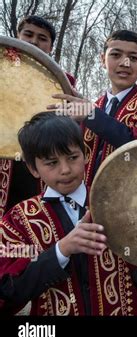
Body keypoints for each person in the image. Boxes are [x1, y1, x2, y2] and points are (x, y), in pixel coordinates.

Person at [0, 113, 137, 315]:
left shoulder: (119, 203)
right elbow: (12, 289)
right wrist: (61, 250)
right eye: (51, 163)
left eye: (73, 157)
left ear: (85, 154)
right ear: (33, 168)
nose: (66, 170)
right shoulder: (20, 219)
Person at [48, 30, 137, 186]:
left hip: (132, 199)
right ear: (102, 60)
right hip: (87, 198)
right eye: (116, 55)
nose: (124, 63)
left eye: (133, 58)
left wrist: (92, 115)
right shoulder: (96, 105)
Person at [0, 15, 78, 218]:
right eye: (28, 34)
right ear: (17, 36)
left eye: (42, 38)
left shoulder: (62, 81)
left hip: (39, 158)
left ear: (51, 47)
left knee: (30, 217)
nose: (34, 41)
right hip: (3, 155)